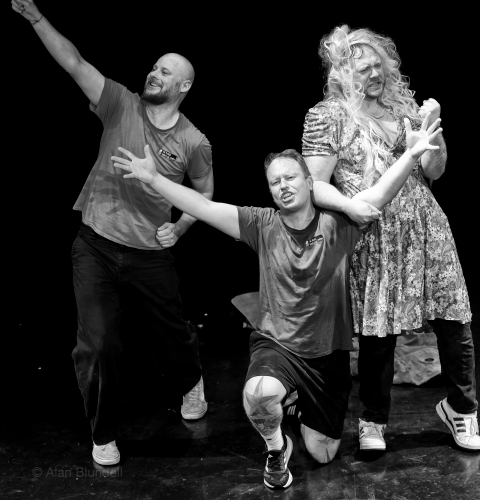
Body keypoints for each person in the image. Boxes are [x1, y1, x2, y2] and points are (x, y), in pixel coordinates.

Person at [110, 113, 441, 488]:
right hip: (277, 346)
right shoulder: (261, 224)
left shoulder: (339, 224)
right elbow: (204, 208)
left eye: (290, 178)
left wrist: (412, 154)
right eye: (275, 182)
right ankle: (276, 448)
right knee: (260, 395)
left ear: (309, 182)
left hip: (328, 357)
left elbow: (379, 193)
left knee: (322, 453)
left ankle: (295, 406)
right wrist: (154, 179)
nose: (283, 186)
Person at [12, 0, 214, 466]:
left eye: (165, 72)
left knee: (172, 338)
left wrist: (181, 226)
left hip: (149, 254)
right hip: (95, 246)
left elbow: (204, 192)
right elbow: (74, 62)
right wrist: (36, 18)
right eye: (154, 68)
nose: (154, 74)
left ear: (183, 86)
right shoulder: (120, 102)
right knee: (98, 343)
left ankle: (190, 382)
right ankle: (103, 433)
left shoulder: (194, 141)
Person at [301, 25, 480, 452]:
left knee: (454, 320)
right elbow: (315, 184)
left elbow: (434, 171)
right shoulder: (328, 116)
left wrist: (432, 130)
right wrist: (348, 207)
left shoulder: (404, 108)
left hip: (427, 229)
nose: (374, 74)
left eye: (378, 66)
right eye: (363, 69)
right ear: (342, 74)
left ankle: (462, 409)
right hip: (374, 233)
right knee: (378, 331)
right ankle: (373, 420)